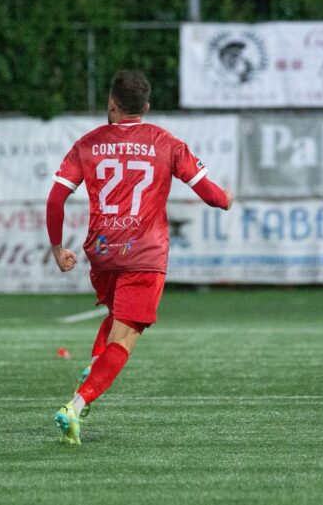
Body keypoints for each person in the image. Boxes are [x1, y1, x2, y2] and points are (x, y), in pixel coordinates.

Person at [46, 70, 233, 445]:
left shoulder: (88, 143)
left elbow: (55, 199)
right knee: (125, 337)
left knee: (116, 318)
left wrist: (56, 248)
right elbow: (213, 197)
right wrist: (227, 198)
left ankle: (93, 369)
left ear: (111, 104)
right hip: (144, 255)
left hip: (103, 252)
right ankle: (76, 406)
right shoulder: (166, 142)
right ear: (145, 107)